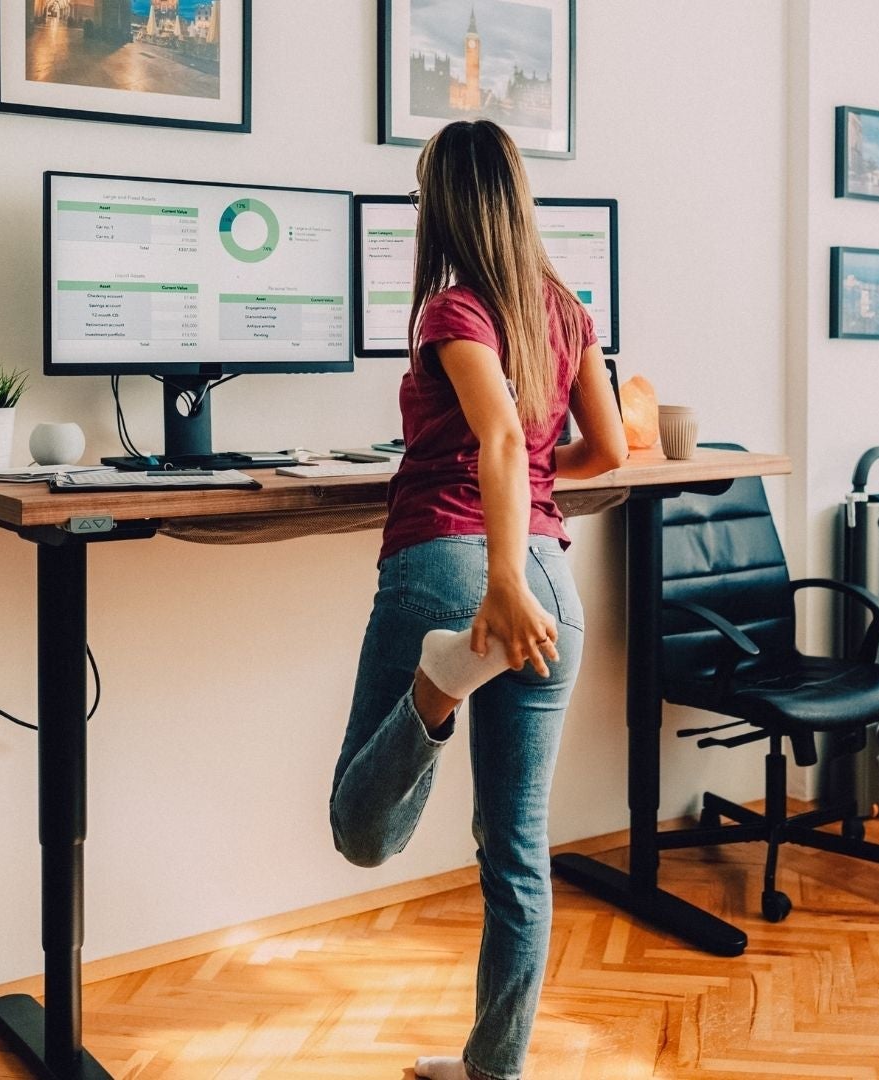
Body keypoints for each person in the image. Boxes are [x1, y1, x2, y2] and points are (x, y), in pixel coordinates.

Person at [327, 119, 629, 1080]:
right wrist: (533, 512)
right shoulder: (567, 310)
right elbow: (607, 453)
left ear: (439, 205)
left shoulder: (451, 311)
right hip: (554, 580)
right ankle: (495, 1070)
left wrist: (496, 586)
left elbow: (498, 437)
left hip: (460, 569)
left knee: (359, 831)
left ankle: (438, 684)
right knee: (517, 851)